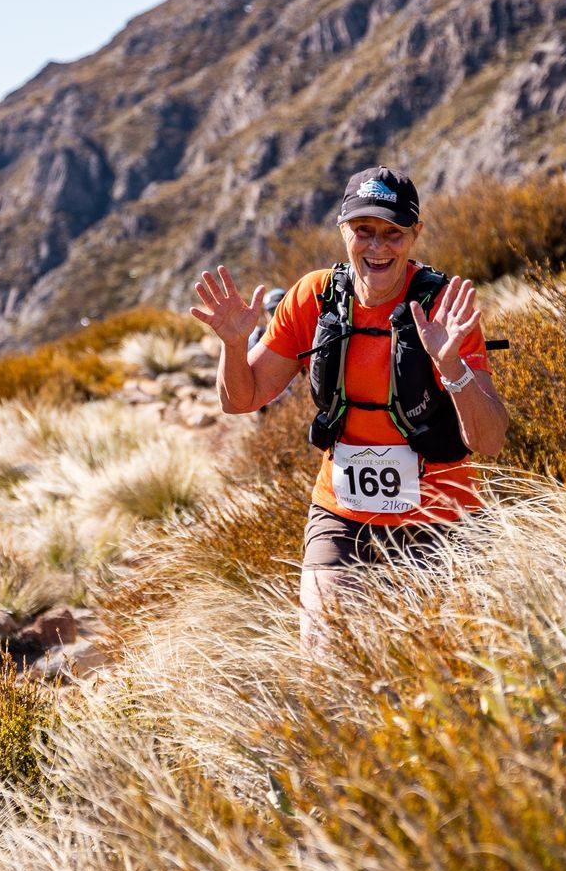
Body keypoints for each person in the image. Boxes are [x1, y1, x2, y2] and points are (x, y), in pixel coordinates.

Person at [188, 165, 509, 654]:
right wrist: (234, 345)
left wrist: (452, 368)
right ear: (344, 231)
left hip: (442, 514)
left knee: (443, 671)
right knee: (326, 660)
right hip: (341, 515)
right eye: (364, 231)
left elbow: (489, 440)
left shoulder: (442, 306)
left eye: (392, 233)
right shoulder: (315, 297)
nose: (377, 247)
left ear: (415, 235)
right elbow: (241, 399)